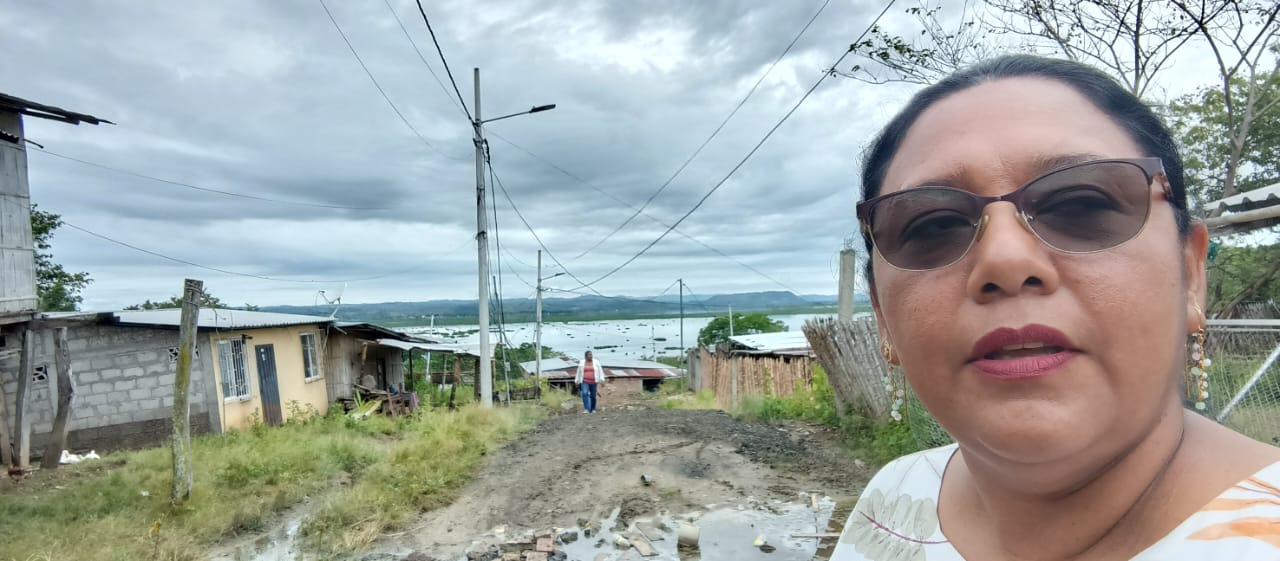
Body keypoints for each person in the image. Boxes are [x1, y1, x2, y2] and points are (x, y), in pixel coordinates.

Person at [833, 55, 1280, 560]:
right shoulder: (893, 499)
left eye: (1080, 204)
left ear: (1191, 275)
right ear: (883, 316)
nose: (1004, 260)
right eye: (933, 225)